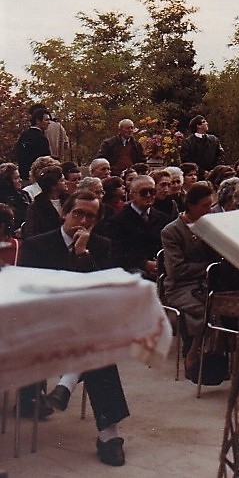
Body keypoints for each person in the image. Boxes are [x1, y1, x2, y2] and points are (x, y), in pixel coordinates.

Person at [19, 190, 131, 467]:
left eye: (90, 216)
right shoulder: (36, 245)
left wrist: (83, 255)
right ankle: (107, 433)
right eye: (77, 213)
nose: (82, 220)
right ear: (64, 214)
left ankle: (68, 387)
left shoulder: (102, 246)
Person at [161, 182, 223, 382]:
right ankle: (193, 355)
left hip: (206, 283)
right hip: (180, 287)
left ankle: (213, 358)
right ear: (191, 205)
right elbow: (176, 270)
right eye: (205, 206)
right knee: (207, 308)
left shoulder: (209, 227)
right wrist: (207, 265)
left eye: (210, 206)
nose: (209, 211)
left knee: (224, 305)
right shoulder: (172, 231)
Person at [105, 174, 170, 280]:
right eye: (144, 192)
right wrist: (144, 263)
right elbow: (117, 253)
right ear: (131, 196)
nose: (149, 195)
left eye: (152, 191)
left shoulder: (163, 218)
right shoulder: (118, 221)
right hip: (133, 268)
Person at [21, 164, 68, 238]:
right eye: (62, 180)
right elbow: (31, 232)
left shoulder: (70, 201)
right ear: (53, 186)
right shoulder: (36, 207)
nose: (66, 182)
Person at [15, 106, 52, 180]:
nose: (49, 122)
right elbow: (45, 160)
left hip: (23, 175)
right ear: (38, 121)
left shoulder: (24, 135)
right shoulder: (41, 139)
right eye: (46, 120)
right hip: (36, 177)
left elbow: (18, 152)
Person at [0, 161, 31, 232]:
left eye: (19, 177)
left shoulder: (24, 195)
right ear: (7, 182)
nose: (20, 180)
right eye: (16, 178)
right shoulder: (2, 200)